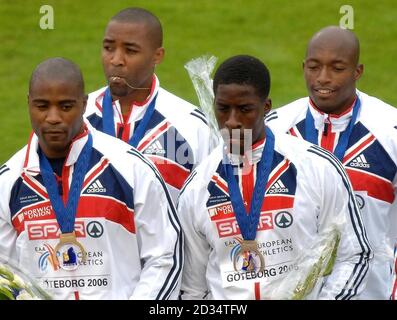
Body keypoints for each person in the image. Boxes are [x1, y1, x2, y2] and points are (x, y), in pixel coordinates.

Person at [177, 55, 371, 300]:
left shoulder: (317, 167)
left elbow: (354, 254)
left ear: (266, 106)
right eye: (223, 109)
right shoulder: (198, 186)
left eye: (245, 109)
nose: (232, 122)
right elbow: (191, 286)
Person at [0, 58, 182, 300]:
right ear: (29, 104)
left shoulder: (131, 168)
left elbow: (164, 256)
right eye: (42, 106)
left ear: (84, 104)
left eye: (65, 106)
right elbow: (7, 273)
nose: (53, 117)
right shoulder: (9, 181)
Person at [266, 26, 397, 299]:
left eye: (337, 68)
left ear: (357, 71)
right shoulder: (274, 132)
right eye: (314, 67)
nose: (323, 78)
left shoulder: (390, 131)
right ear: (303, 67)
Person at [85, 7, 211, 203]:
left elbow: (207, 208)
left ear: (157, 56)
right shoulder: (78, 118)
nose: (116, 60)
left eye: (130, 51)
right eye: (109, 48)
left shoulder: (192, 127)